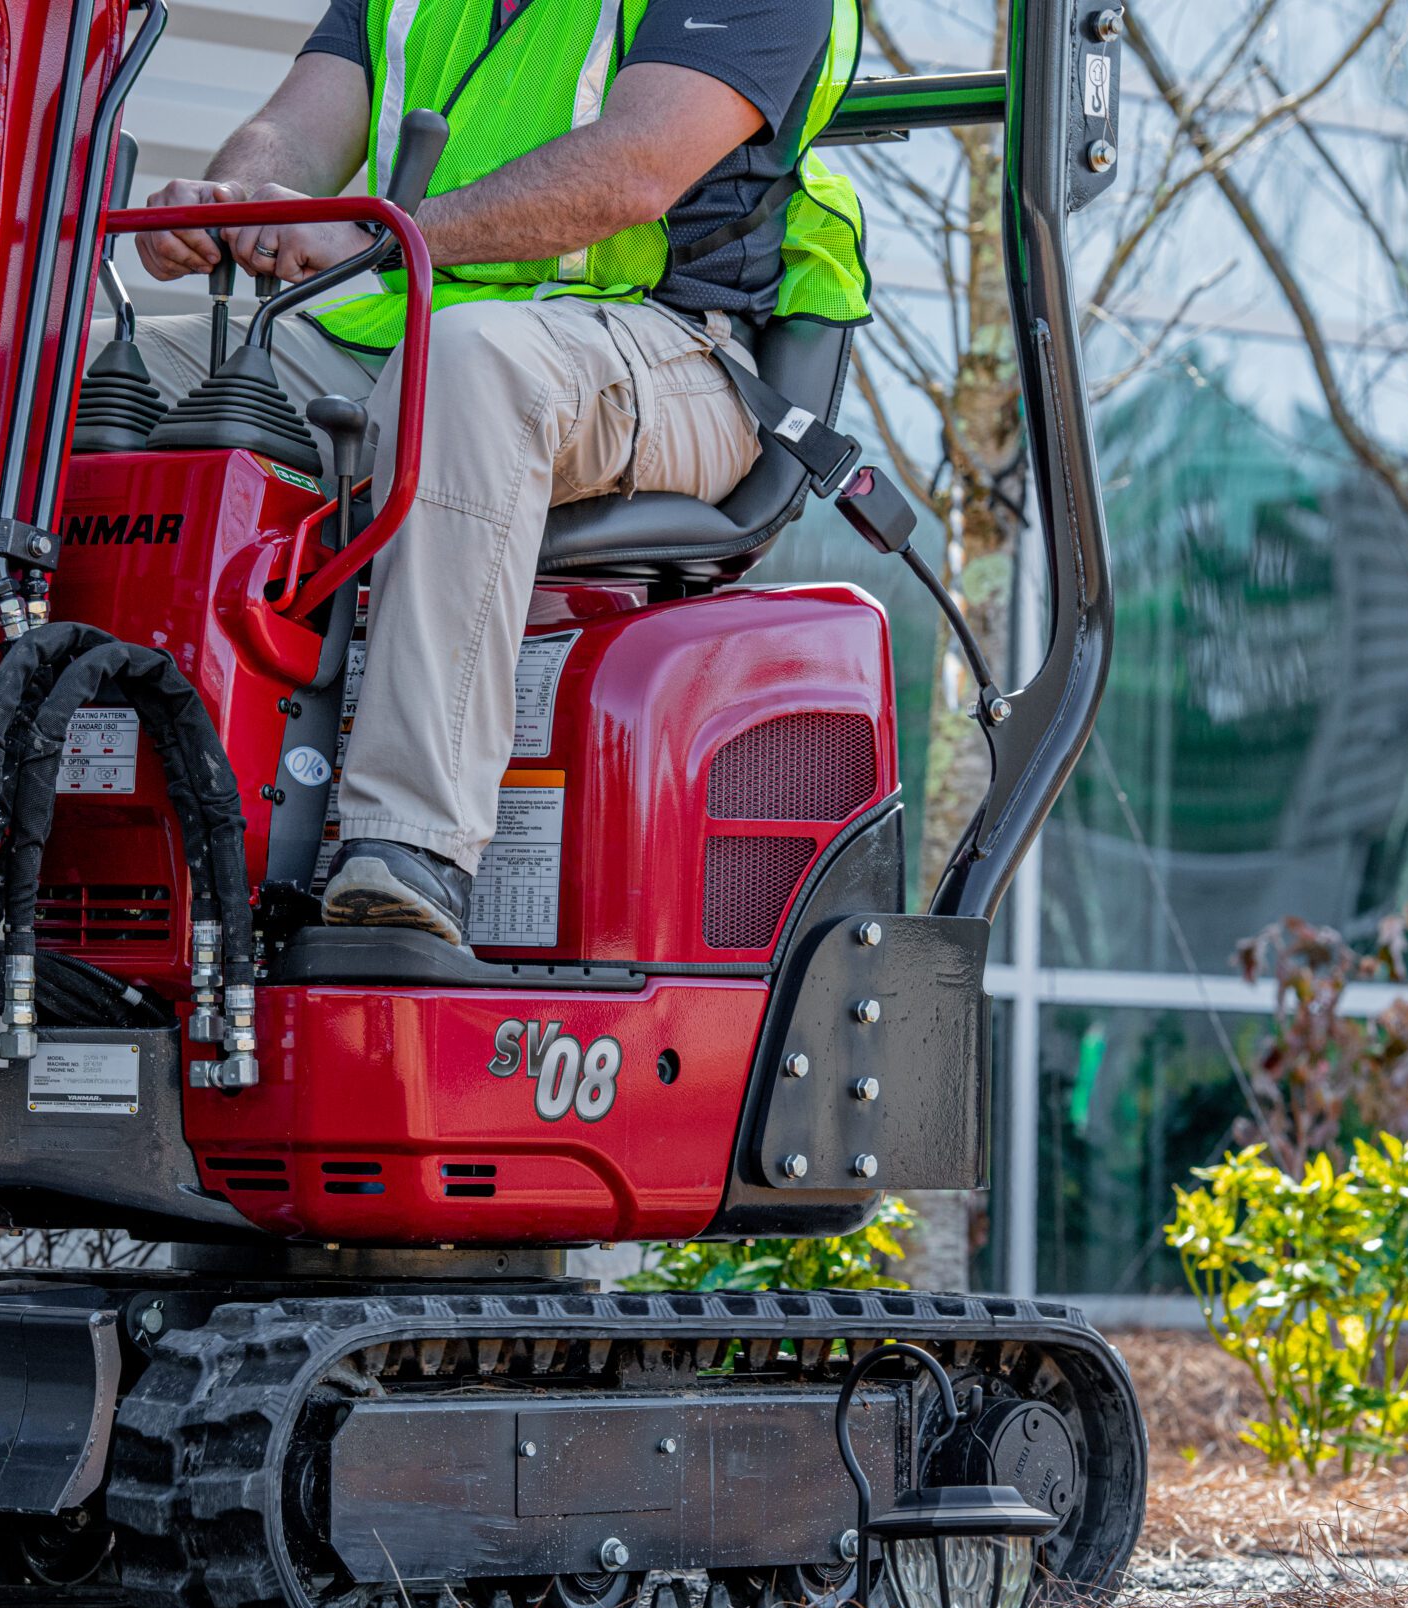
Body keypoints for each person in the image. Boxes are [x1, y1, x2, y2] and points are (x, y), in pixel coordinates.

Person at [126, 0, 870, 945]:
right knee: (98, 380)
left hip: (675, 351)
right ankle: (91, 815)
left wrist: (389, 239)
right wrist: (235, 201)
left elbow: (633, 170)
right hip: (423, 334)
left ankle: (407, 847)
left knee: (472, 364)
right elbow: (295, 133)